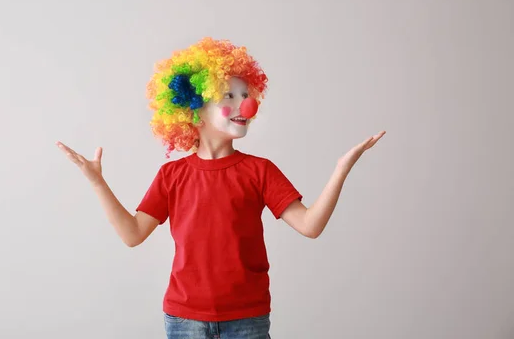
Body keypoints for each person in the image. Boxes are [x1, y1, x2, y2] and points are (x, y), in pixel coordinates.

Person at [56, 37, 385, 339]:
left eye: (246, 95)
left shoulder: (260, 171)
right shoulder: (172, 175)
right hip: (184, 319)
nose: (246, 106)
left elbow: (310, 226)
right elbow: (132, 234)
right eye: (229, 96)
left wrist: (342, 169)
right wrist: (98, 182)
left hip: (247, 318)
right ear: (195, 108)